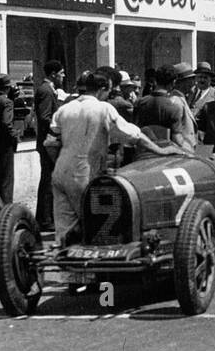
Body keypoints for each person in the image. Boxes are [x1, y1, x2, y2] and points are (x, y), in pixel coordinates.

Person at [46, 71, 172, 242]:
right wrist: (160, 150)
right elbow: (133, 135)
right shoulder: (103, 108)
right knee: (92, 226)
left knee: (65, 228)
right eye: (108, 91)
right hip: (85, 174)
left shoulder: (64, 109)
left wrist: (60, 162)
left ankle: (64, 259)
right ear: (102, 89)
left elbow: (51, 144)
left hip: (60, 172)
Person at [133, 64, 198, 153]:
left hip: (143, 152)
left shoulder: (140, 102)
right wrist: (190, 151)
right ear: (173, 82)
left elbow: (135, 130)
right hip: (164, 155)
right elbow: (177, 139)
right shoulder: (173, 107)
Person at [34, 60, 65, 232]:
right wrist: (59, 124)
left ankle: (45, 217)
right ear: (53, 74)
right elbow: (45, 117)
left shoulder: (48, 90)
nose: (63, 76)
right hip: (48, 142)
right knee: (48, 181)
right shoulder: (46, 91)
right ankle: (45, 219)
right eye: (61, 73)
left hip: (48, 142)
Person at [0, 73, 18, 206]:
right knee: (7, 179)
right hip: (6, 145)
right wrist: (15, 135)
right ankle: (6, 209)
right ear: (8, 87)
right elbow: (6, 123)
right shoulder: (7, 102)